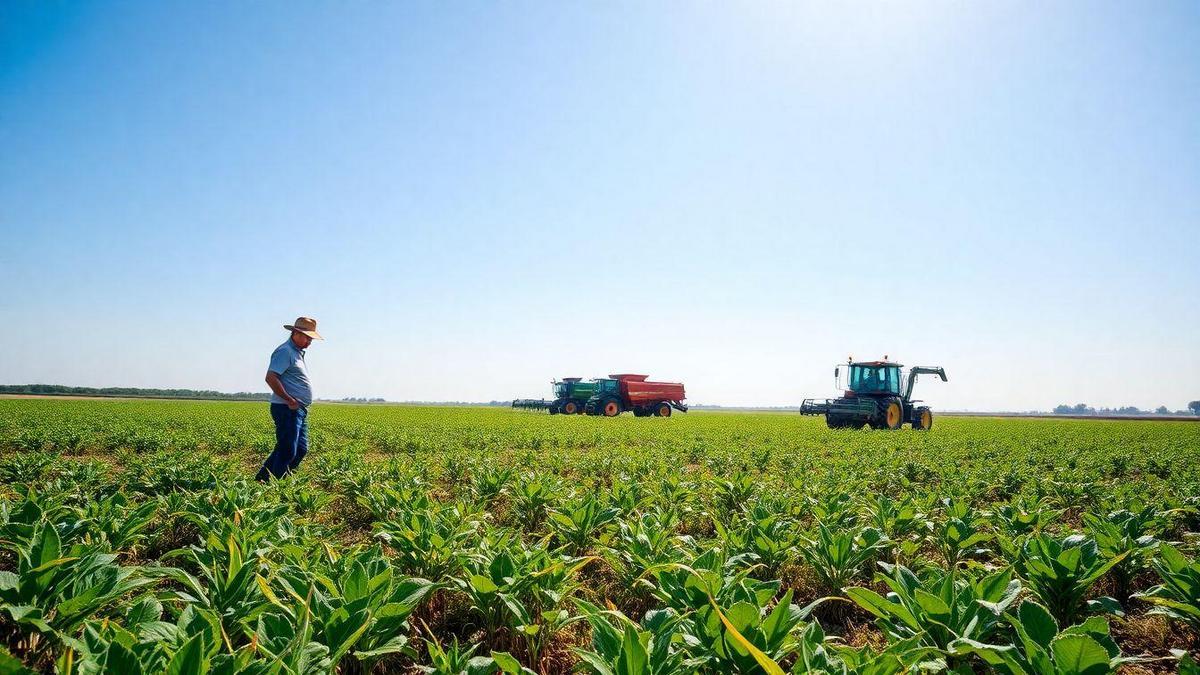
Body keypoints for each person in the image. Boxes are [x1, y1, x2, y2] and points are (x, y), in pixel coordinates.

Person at [257, 317, 322, 481]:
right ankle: (274, 485)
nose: (309, 342)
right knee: (287, 450)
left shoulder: (296, 353)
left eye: (311, 338)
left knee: (300, 449)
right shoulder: (285, 351)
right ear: (296, 333)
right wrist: (289, 400)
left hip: (298, 410)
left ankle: (265, 481)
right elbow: (271, 377)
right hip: (286, 408)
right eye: (307, 337)